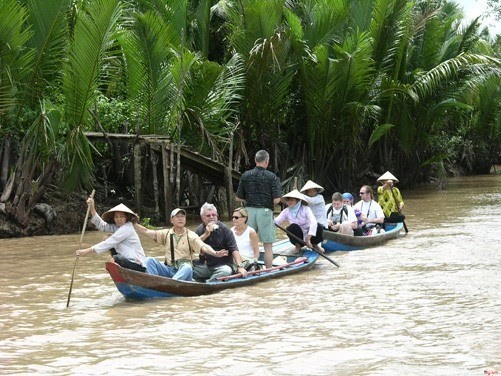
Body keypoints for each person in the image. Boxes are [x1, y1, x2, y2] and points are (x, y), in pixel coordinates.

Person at [134, 208, 225, 281]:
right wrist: (133, 223)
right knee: (149, 260)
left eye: (182, 216)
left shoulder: (191, 235)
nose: (180, 219)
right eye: (177, 216)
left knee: (187, 267)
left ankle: (171, 285)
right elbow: (146, 231)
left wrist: (214, 253)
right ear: (171, 220)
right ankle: (154, 283)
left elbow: (203, 246)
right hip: (169, 269)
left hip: (183, 271)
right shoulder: (166, 233)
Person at [236, 150, 282, 268]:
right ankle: (268, 271)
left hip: (248, 211)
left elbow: (238, 197)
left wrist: (249, 201)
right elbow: (277, 199)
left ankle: (246, 267)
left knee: (249, 242)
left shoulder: (246, 175)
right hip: (265, 212)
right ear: (267, 161)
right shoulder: (271, 177)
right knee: (268, 246)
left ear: (255, 160)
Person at [76, 198, 146, 272]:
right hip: (127, 260)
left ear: (126, 218)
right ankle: (116, 267)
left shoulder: (127, 228)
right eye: (116, 217)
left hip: (137, 264)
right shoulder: (117, 227)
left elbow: (110, 241)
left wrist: (87, 251)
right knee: (107, 238)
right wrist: (92, 208)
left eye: (121, 216)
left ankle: (115, 266)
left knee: (115, 258)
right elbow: (102, 225)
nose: (119, 219)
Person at [193, 203, 248, 282]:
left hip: (222, 266)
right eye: (208, 216)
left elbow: (234, 249)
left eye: (213, 215)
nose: (211, 217)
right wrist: (206, 234)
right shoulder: (199, 230)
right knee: (189, 270)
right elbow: (193, 247)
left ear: (217, 216)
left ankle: (208, 284)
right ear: (202, 218)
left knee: (226, 271)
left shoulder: (225, 229)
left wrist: (240, 266)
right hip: (205, 266)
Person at [274, 189, 324, 254]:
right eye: (288, 200)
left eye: (292, 200)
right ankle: (298, 246)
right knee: (291, 227)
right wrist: (269, 217)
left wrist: (308, 239)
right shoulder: (286, 211)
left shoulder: (306, 209)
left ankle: (315, 245)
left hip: (310, 236)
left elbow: (313, 222)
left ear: (298, 201)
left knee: (319, 226)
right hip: (298, 237)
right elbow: (276, 222)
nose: (289, 202)